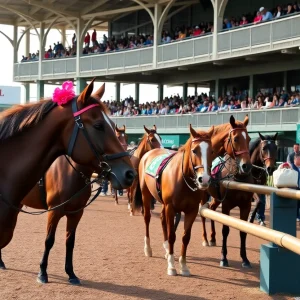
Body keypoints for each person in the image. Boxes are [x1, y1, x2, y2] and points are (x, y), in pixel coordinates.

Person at [291, 155, 300, 221]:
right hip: (294, 188)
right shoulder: (291, 167)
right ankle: (296, 216)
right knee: (295, 203)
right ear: (295, 160)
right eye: (298, 159)